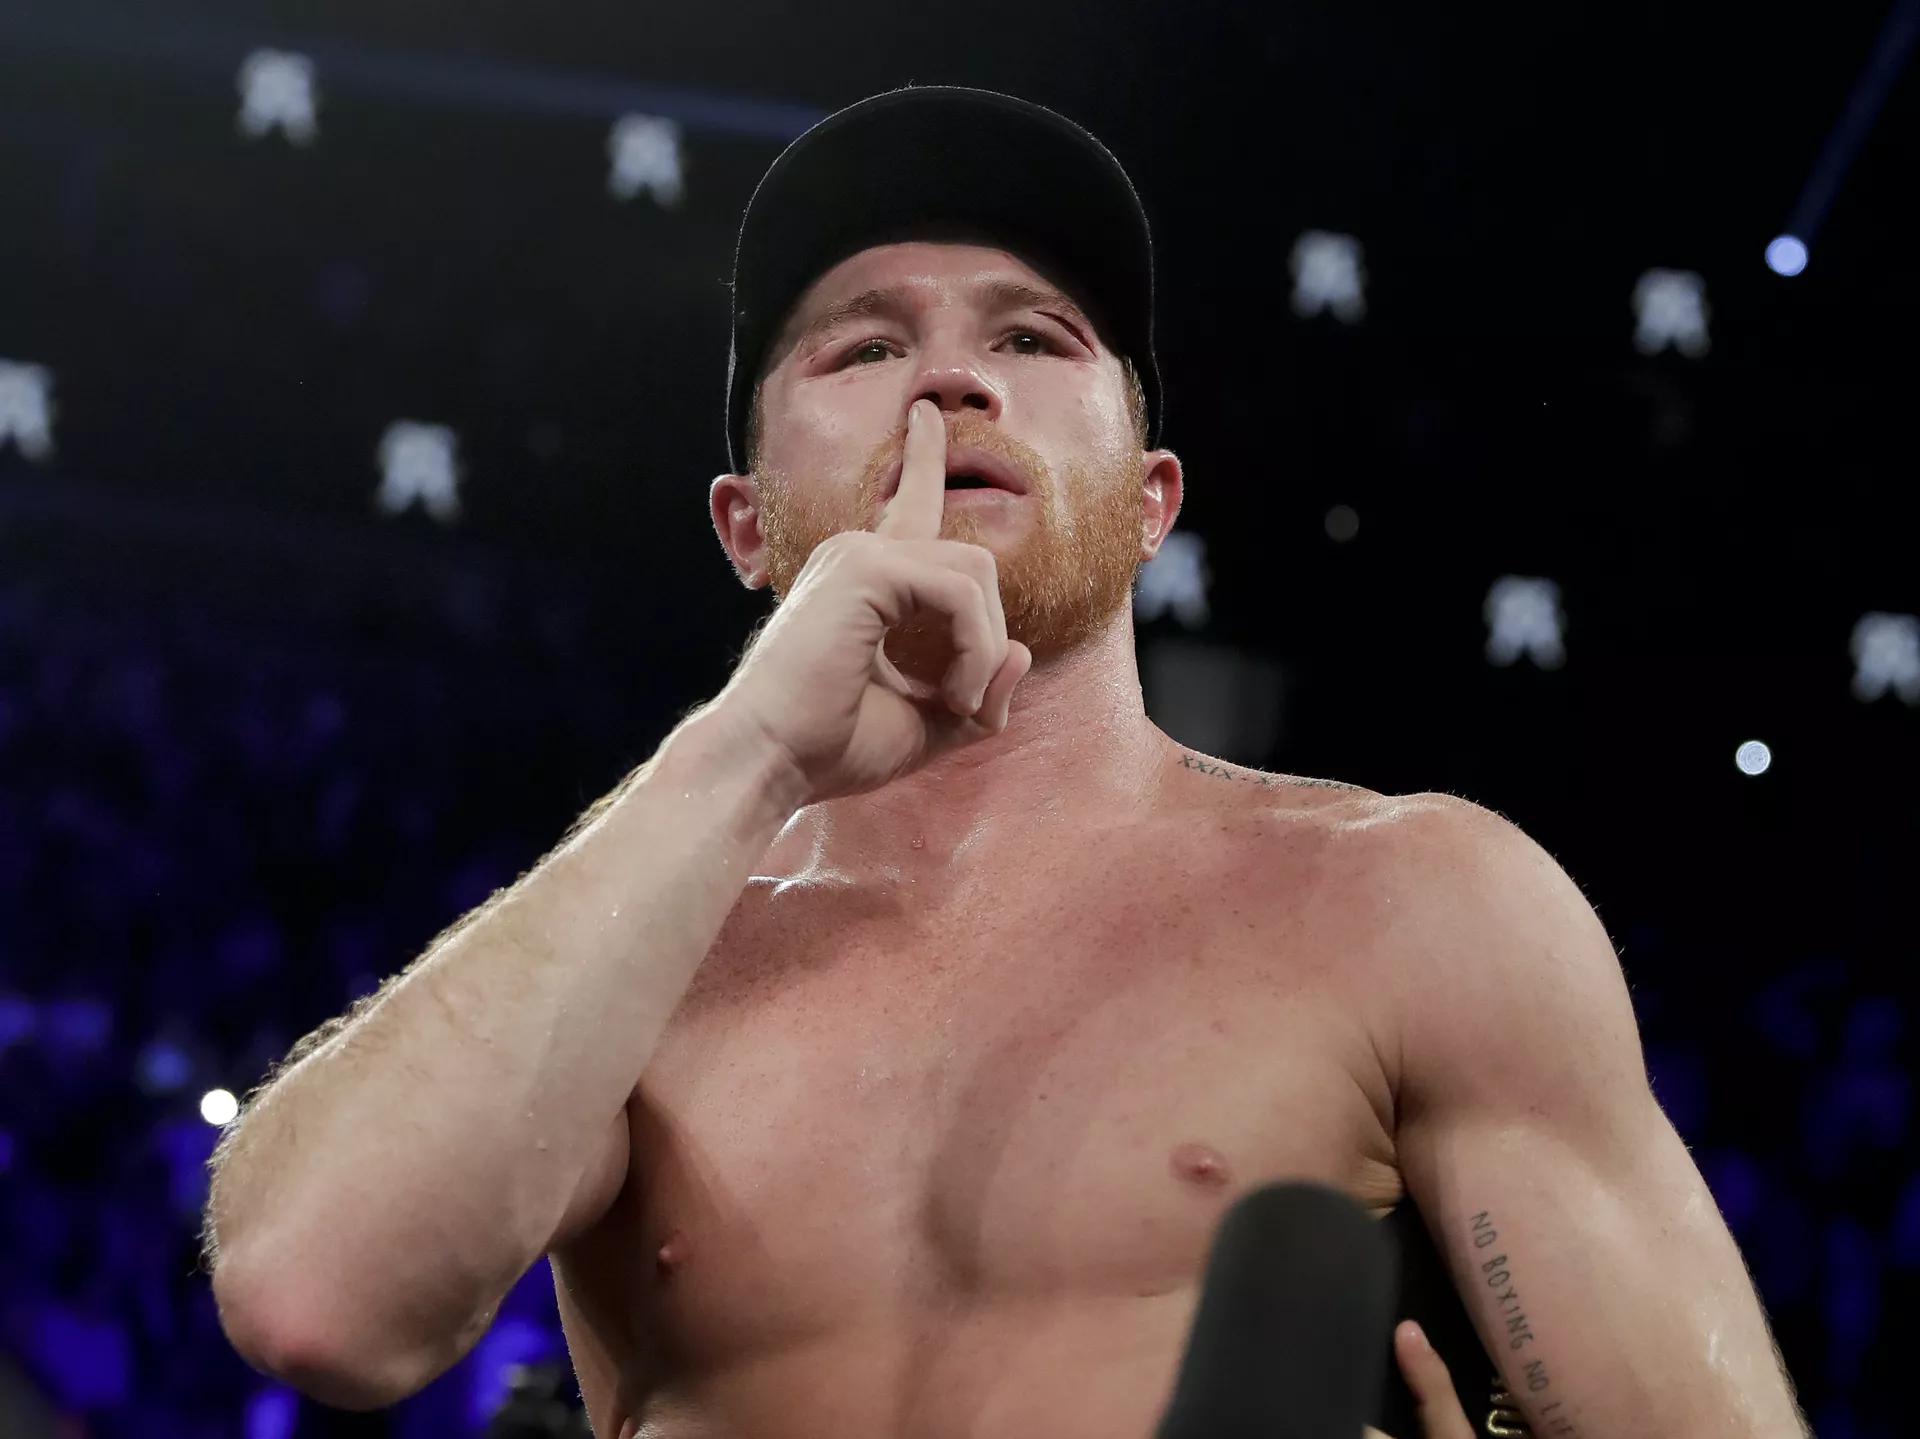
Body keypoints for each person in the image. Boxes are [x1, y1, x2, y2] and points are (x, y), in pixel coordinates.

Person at [203, 88, 1812, 1439]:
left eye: (1034, 336)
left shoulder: (1418, 902)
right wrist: (750, 748)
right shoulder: (635, 958)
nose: (950, 380)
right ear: (746, 528)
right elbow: (315, 1300)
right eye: (860, 349)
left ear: (1153, 498)